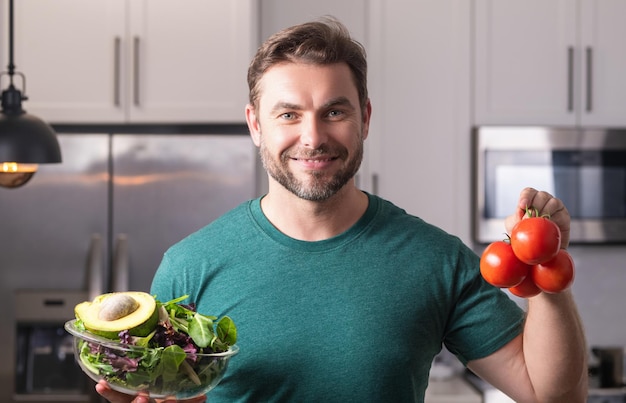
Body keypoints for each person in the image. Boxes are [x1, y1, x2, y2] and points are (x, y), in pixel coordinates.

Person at [96, 17, 588, 403]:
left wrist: (545, 267)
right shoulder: (190, 266)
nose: (313, 137)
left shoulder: (436, 260)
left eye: (335, 111)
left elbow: (552, 395)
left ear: (365, 118)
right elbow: (156, 392)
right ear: (255, 125)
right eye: (288, 114)